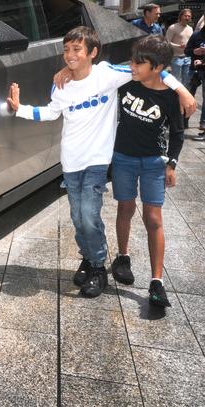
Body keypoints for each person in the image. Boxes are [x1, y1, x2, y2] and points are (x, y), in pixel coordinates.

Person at [6, 26, 194, 298]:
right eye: (66, 50)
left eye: (77, 50)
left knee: (89, 215)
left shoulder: (107, 74)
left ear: (93, 52)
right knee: (77, 217)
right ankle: (88, 257)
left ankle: (97, 266)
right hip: (70, 162)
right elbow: (49, 112)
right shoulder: (61, 84)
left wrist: (183, 90)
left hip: (97, 160)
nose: (70, 55)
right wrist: (19, 108)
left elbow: (152, 68)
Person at [110, 36, 184, 308]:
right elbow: (99, 70)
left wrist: (171, 164)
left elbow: (177, 134)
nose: (132, 66)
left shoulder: (168, 96)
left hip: (154, 163)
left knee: (153, 218)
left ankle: (157, 282)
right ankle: (123, 256)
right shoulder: (126, 83)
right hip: (123, 158)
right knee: (125, 208)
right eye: (132, 60)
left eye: (139, 63)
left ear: (158, 67)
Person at [184, 27, 205, 140]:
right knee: (187, 96)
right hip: (194, 70)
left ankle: (203, 126)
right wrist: (194, 51)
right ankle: (183, 121)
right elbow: (186, 50)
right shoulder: (197, 35)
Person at [165, 8, 193, 85]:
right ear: (181, 16)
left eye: (189, 16)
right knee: (175, 81)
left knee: (186, 80)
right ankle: (174, 96)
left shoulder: (190, 29)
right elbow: (166, 42)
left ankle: (182, 96)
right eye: (185, 16)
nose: (187, 18)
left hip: (188, 58)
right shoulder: (173, 27)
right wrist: (178, 46)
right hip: (176, 57)